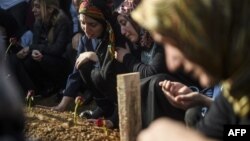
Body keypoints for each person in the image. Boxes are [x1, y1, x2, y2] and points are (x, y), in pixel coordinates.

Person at [132, 0, 250, 140]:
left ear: (204, 27)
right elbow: (232, 132)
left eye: (173, 43)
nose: (172, 64)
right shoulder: (233, 89)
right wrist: (201, 100)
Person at [53, 0, 127, 122]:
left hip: (118, 89)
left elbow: (117, 66)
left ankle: (116, 110)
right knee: (83, 63)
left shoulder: (116, 36)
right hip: (101, 91)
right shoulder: (85, 41)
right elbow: (75, 74)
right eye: (82, 23)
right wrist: (62, 105)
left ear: (104, 23)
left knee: (97, 73)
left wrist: (95, 56)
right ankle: (104, 107)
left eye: (93, 25)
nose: (87, 30)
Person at [9, 0, 72, 97]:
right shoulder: (38, 22)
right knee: (27, 60)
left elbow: (57, 49)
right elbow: (35, 44)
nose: (33, 10)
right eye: (33, 6)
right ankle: (43, 88)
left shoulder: (62, 21)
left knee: (44, 59)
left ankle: (59, 86)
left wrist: (32, 48)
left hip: (62, 63)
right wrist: (33, 51)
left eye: (37, 7)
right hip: (46, 57)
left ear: (50, 9)